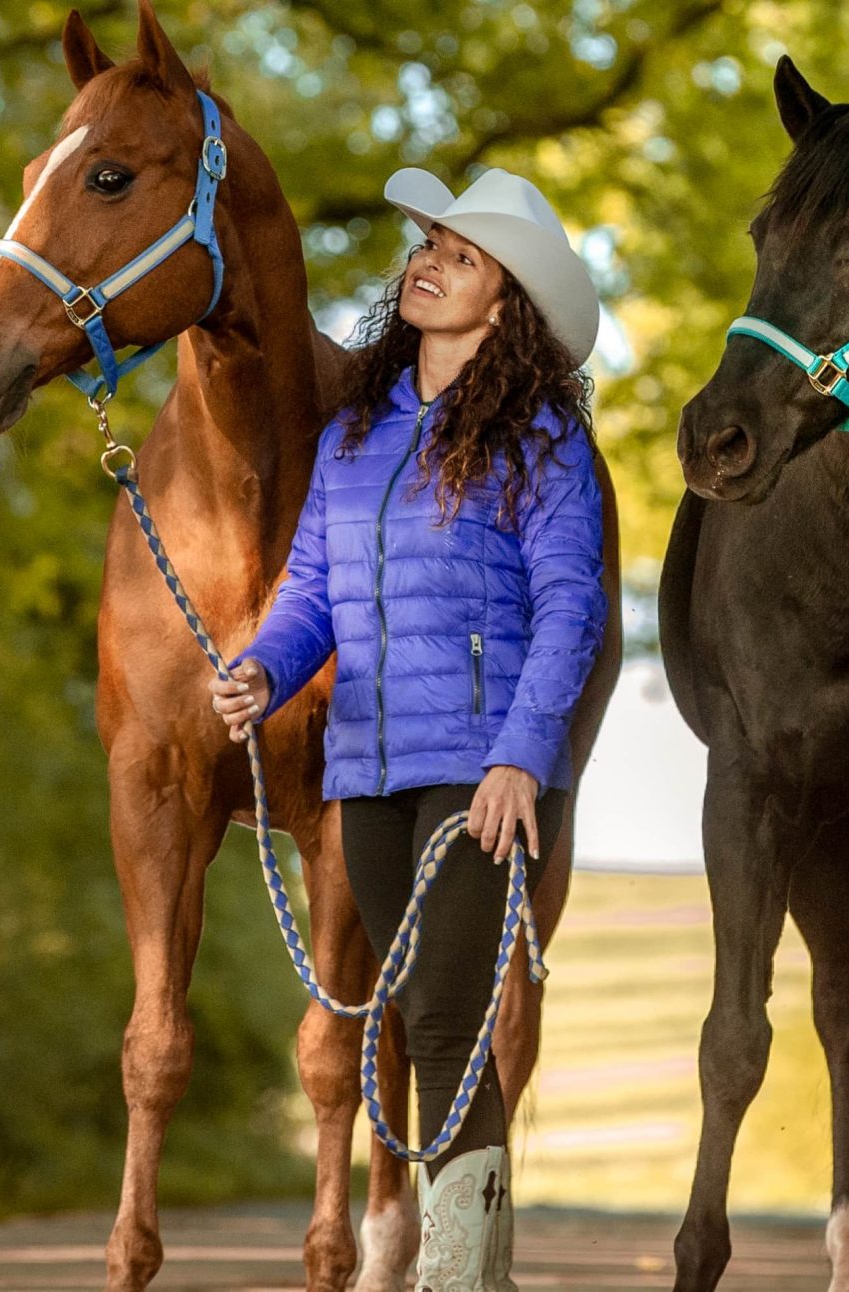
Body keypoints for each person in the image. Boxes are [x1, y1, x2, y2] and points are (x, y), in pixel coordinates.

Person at [209, 166, 607, 1292]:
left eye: (461, 254)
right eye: (430, 242)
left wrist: (522, 756)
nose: (427, 260)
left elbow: (572, 606)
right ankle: (474, 1268)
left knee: (444, 1015)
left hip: (483, 770)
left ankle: (456, 1270)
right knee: (417, 1010)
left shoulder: (542, 440)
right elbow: (311, 595)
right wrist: (261, 673)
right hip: (368, 764)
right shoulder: (355, 436)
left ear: (508, 301)